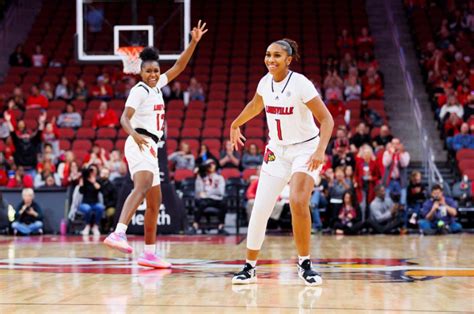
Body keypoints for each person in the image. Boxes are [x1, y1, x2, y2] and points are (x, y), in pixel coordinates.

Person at [103, 21, 208, 269]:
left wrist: (193, 42)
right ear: (141, 72)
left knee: (155, 203)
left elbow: (180, 66)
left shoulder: (158, 85)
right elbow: (124, 118)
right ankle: (118, 232)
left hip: (152, 146)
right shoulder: (139, 90)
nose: (153, 75)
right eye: (148, 71)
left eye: (155, 71)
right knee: (140, 188)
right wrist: (135, 136)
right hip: (139, 141)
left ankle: (149, 254)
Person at [230, 38, 334, 286]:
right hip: (276, 150)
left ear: (289, 60)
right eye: (268, 55)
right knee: (260, 207)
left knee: (298, 200)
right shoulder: (265, 83)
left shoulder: (301, 84)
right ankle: (249, 267)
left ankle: (305, 263)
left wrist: (320, 150)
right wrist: (235, 123)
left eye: (277, 56)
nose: (270, 60)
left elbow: (327, 120)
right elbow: (255, 105)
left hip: (306, 149)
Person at [190, 160, 227, 234]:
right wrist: (198, 176)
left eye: (213, 164)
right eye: (209, 165)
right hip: (205, 200)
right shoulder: (201, 177)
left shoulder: (220, 178)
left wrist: (207, 193)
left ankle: (221, 227)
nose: (211, 166)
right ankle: (195, 226)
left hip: (216, 199)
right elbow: (198, 192)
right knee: (201, 204)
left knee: (224, 204)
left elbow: (221, 192)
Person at [382, 139, 410, 206]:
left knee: (402, 201)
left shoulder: (405, 154)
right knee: (387, 200)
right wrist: (391, 154)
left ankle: (403, 214)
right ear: (391, 145)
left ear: (400, 145)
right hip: (389, 181)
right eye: (393, 144)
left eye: (397, 144)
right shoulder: (387, 153)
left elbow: (404, 164)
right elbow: (385, 164)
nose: (395, 145)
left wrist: (400, 154)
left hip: (400, 181)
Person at [78, 166, 105, 236]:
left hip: (95, 203)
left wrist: (93, 182)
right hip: (84, 203)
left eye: (94, 171)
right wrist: (81, 185)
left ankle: (95, 226)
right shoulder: (84, 180)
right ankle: (87, 225)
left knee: (101, 207)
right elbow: (81, 191)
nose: (92, 172)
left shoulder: (97, 180)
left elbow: (99, 188)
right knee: (87, 209)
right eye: (91, 171)